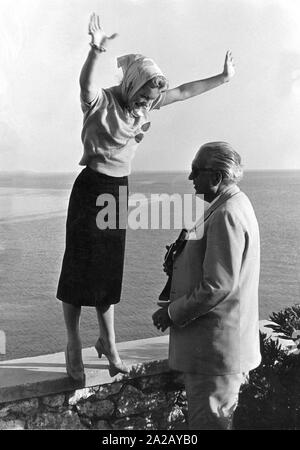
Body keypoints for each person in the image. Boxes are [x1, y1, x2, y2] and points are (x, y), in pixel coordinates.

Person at [56, 12, 236, 382]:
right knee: (77, 268)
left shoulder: (148, 104)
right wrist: (95, 50)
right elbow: (84, 83)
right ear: (132, 85)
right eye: (143, 97)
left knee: (107, 274)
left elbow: (185, 91)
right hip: (90, 188)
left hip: (118, 191)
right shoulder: (100, 103)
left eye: (150, 100)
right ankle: (73, 344)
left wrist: (223, 78)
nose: (146, 105)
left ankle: (108, 343)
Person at [152, 142, 261, 430]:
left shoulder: (226, 214)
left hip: (214, 357)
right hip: (218, 353)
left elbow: (217, 285)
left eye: (195, 171)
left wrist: (172, 313)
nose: (190, 178)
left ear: (216, 176)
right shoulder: (232, 204)